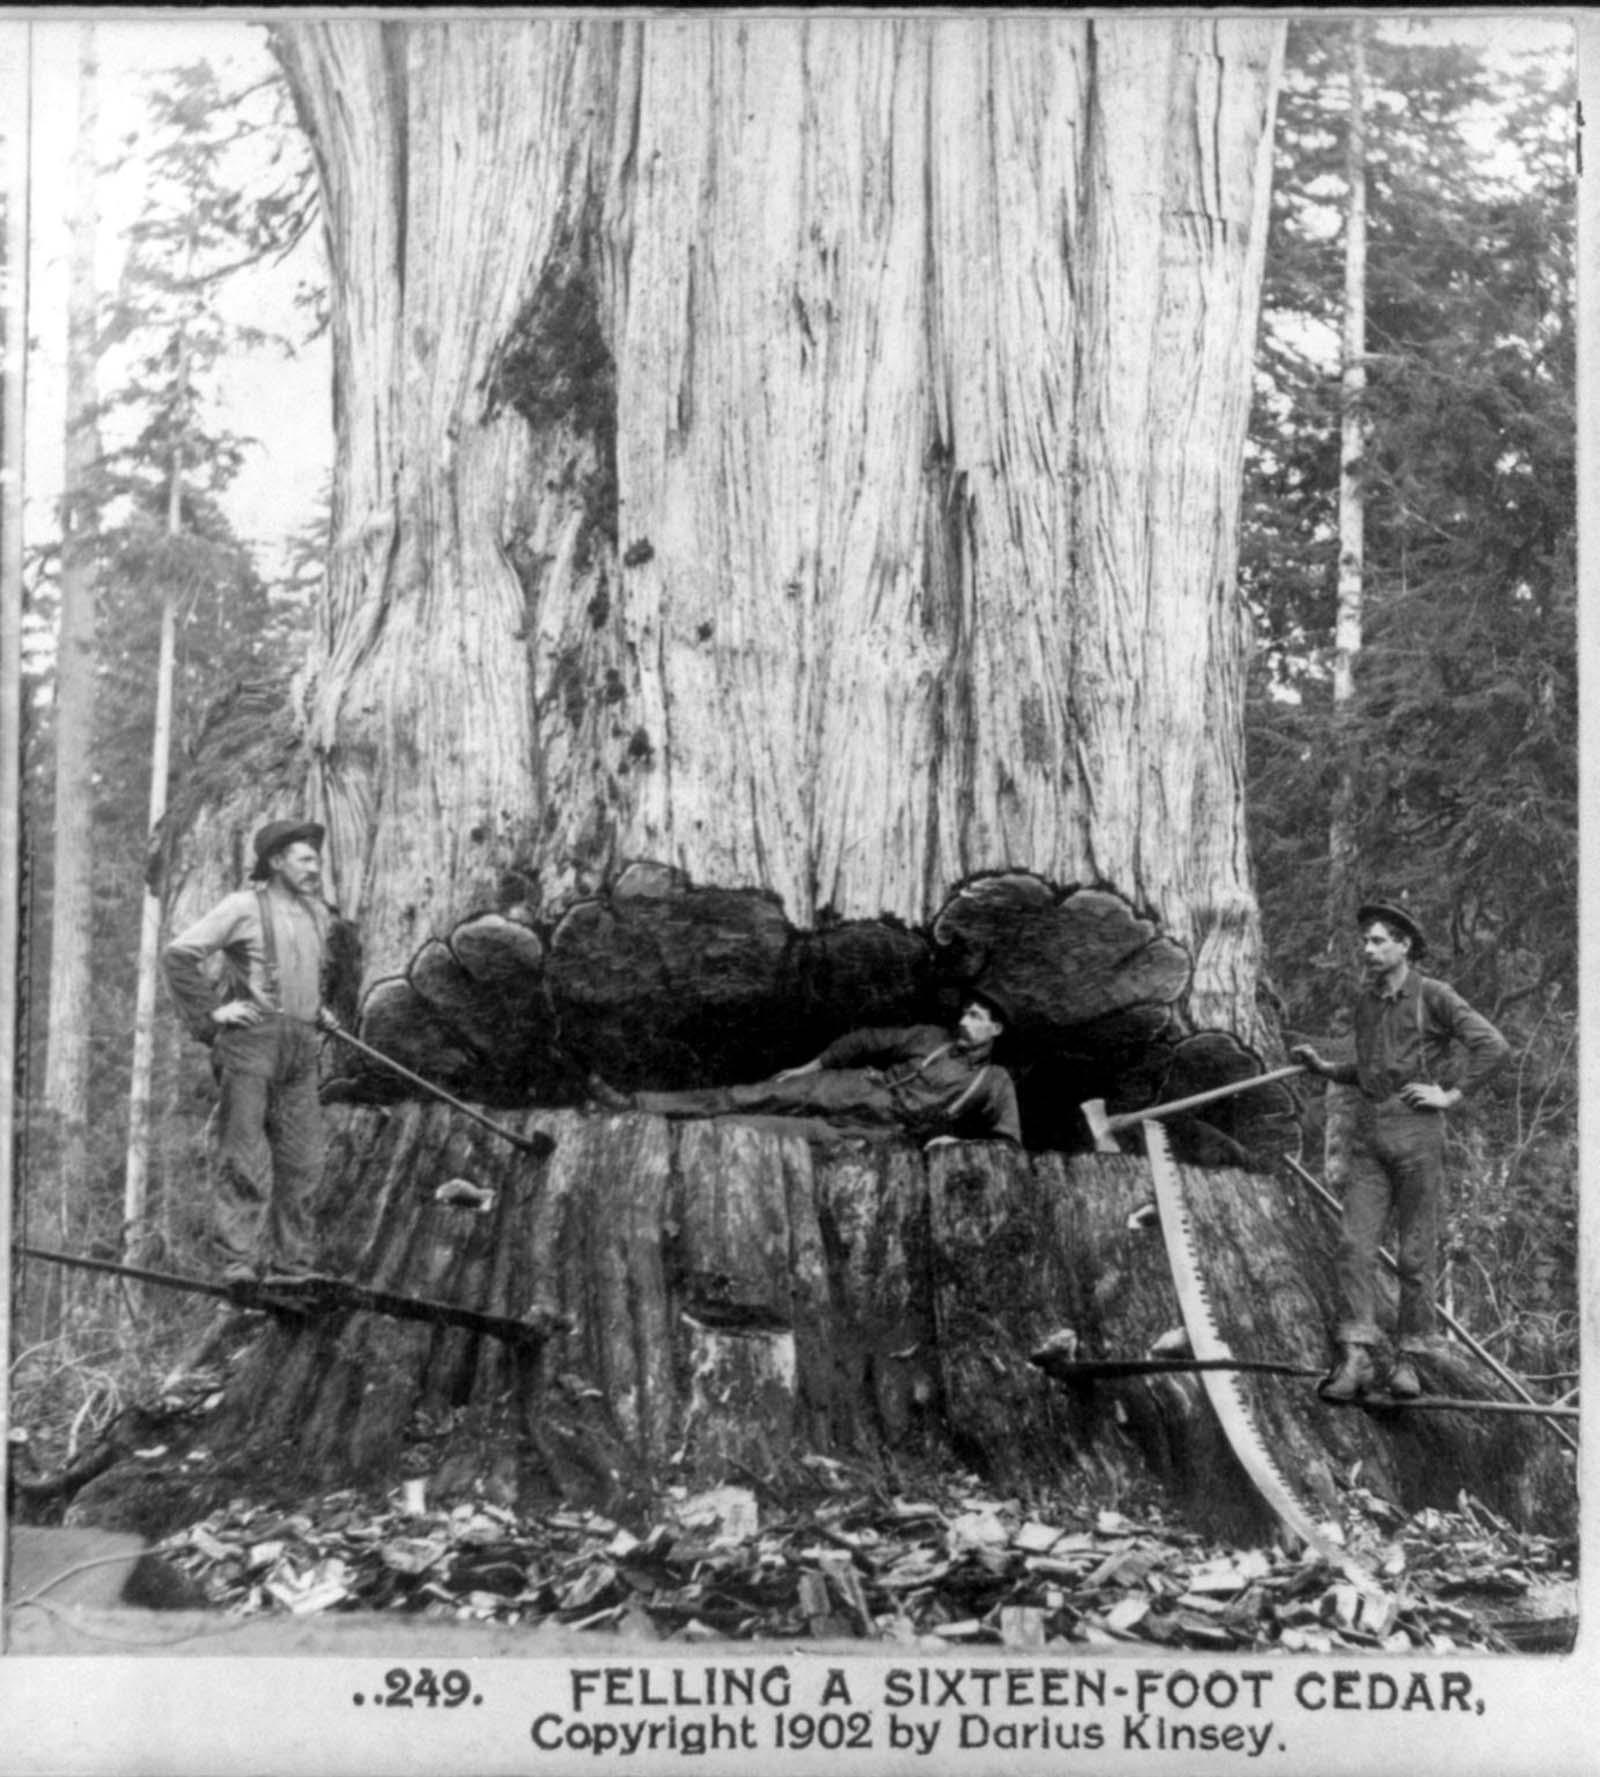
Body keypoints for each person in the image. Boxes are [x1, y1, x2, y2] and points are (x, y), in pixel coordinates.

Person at [1292, 899, 1508, 1401]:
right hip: (1371, 1135)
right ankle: (1358, 1357)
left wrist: (1450, 1095)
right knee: (1354, 1245)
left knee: (1415, 1252)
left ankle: (1410, 1363)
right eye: (1364, 941)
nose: (1367, 949)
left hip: (1418, 1134)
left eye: (1377, 940)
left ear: (1404, 944)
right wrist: (1326, 1068)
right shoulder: (1366, 1004)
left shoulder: (1433, 995)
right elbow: (1367, 1071)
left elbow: (1493, 1046)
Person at [164, 819, 350, 1285]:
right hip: (252, 1045)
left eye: (316, 860)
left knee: (304, 1161)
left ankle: (293, 1267)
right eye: (305, 859)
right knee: (242, 1156)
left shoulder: (314, 915)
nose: (315, 868)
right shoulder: (242, 907)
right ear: (275, 861)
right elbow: (178, 956)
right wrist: (213, 1015)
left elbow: (296, 974)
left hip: (301, 1049)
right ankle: (239, 1263)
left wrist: (317, 1010)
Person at [589, 992, 1023, 1146]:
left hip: (876, 1134)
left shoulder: (995, 1083)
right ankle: (633, 1103)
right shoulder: (930, 1037)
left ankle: (656, 1131)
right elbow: (865, 1040)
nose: (965, 1020)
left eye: (977, 1016)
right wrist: (813, 1065)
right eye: (966, 1012)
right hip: (852, 1087)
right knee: (752, 1093)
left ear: (997, 1028)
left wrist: (952, 1142)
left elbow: (1006, 1143)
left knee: (751, 1127)